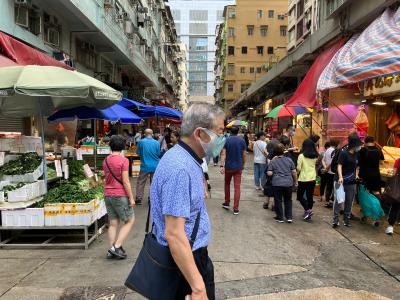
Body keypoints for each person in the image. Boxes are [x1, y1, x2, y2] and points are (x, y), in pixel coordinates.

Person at [150, 102, 225, 299]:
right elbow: (174, 233)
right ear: (200, 134)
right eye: (219, 132)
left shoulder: (186, 158)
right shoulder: (180, 168)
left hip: (189, 257)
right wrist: (197, 286)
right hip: (185, 262)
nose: (222, 139)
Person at [103, 135, 135, 259]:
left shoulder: (106, 160)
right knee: (129, 220)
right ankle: (116, 246)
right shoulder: (124, 160)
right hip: (120, 194)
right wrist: (131, 197)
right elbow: (126, 181)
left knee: (113, 223)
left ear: (110, 146)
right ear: (123, 146)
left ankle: (112, 249)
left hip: (108, 194)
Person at [332, 135, 362, 228]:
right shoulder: (344, 153)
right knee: (338, 200)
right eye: (358, 145)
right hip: (339, 181)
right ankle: (335, 220)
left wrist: (356, 174)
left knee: (349, 200)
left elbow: (357, 166)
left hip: (351, 181)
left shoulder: (357, 154)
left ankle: (346, 219)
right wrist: (340, 177)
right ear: (353, 145)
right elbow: (339, 165)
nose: (359, 147)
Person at [267, 143, 298, 223]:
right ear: (284, 151)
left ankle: (280, 217)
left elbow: (269, 173)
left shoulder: (273, 161)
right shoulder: (289, 160)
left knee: (278, 200)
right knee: (288, 200)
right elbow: (294, 172)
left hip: (277, 183)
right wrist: (296, 182)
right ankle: (289, 217)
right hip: (288, 183)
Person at [220, 126, 247, 215]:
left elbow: (223, 153)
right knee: (237, 187)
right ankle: (236, 208)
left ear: (230, 131)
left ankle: (227, 202)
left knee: (227, 184)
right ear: (238, 131)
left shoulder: (226, 140)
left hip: (228, 167)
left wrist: (222, 165)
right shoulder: (242, 141)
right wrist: (243, 164)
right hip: (238, 167)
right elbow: (244, 155)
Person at [135, 129, 160, 205]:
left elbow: (138, 153)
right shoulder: (157, 143)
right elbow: (158, 154)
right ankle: (151, 198)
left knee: (141, 182)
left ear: (144, 134)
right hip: (155, 165)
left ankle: (139, 198)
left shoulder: (141, 142)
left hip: (144, 165)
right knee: (153, 182)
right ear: (152, 134)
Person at [296, 139, 319, 221]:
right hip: (312, 178)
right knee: (310, 197)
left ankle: (308, 210)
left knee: (299, 196)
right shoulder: (315, 156)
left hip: (303, 178)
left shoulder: (301, 156)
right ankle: (308, 214)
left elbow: (298, 168)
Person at [323, 139, 340, 208]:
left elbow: (323, 160)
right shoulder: (334, 151)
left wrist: (325, 168)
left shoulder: (327, 150)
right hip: (332, 172)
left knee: (328, 187)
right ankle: (331, 201)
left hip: (328, 172)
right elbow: (332, 161)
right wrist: (327, 168)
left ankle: (327, 201)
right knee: (334, 188)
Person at [385, 158, 400, 235]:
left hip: (397, 187)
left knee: (395, 206)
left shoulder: (398, 160)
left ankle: (390, 227)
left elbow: (394, 173)